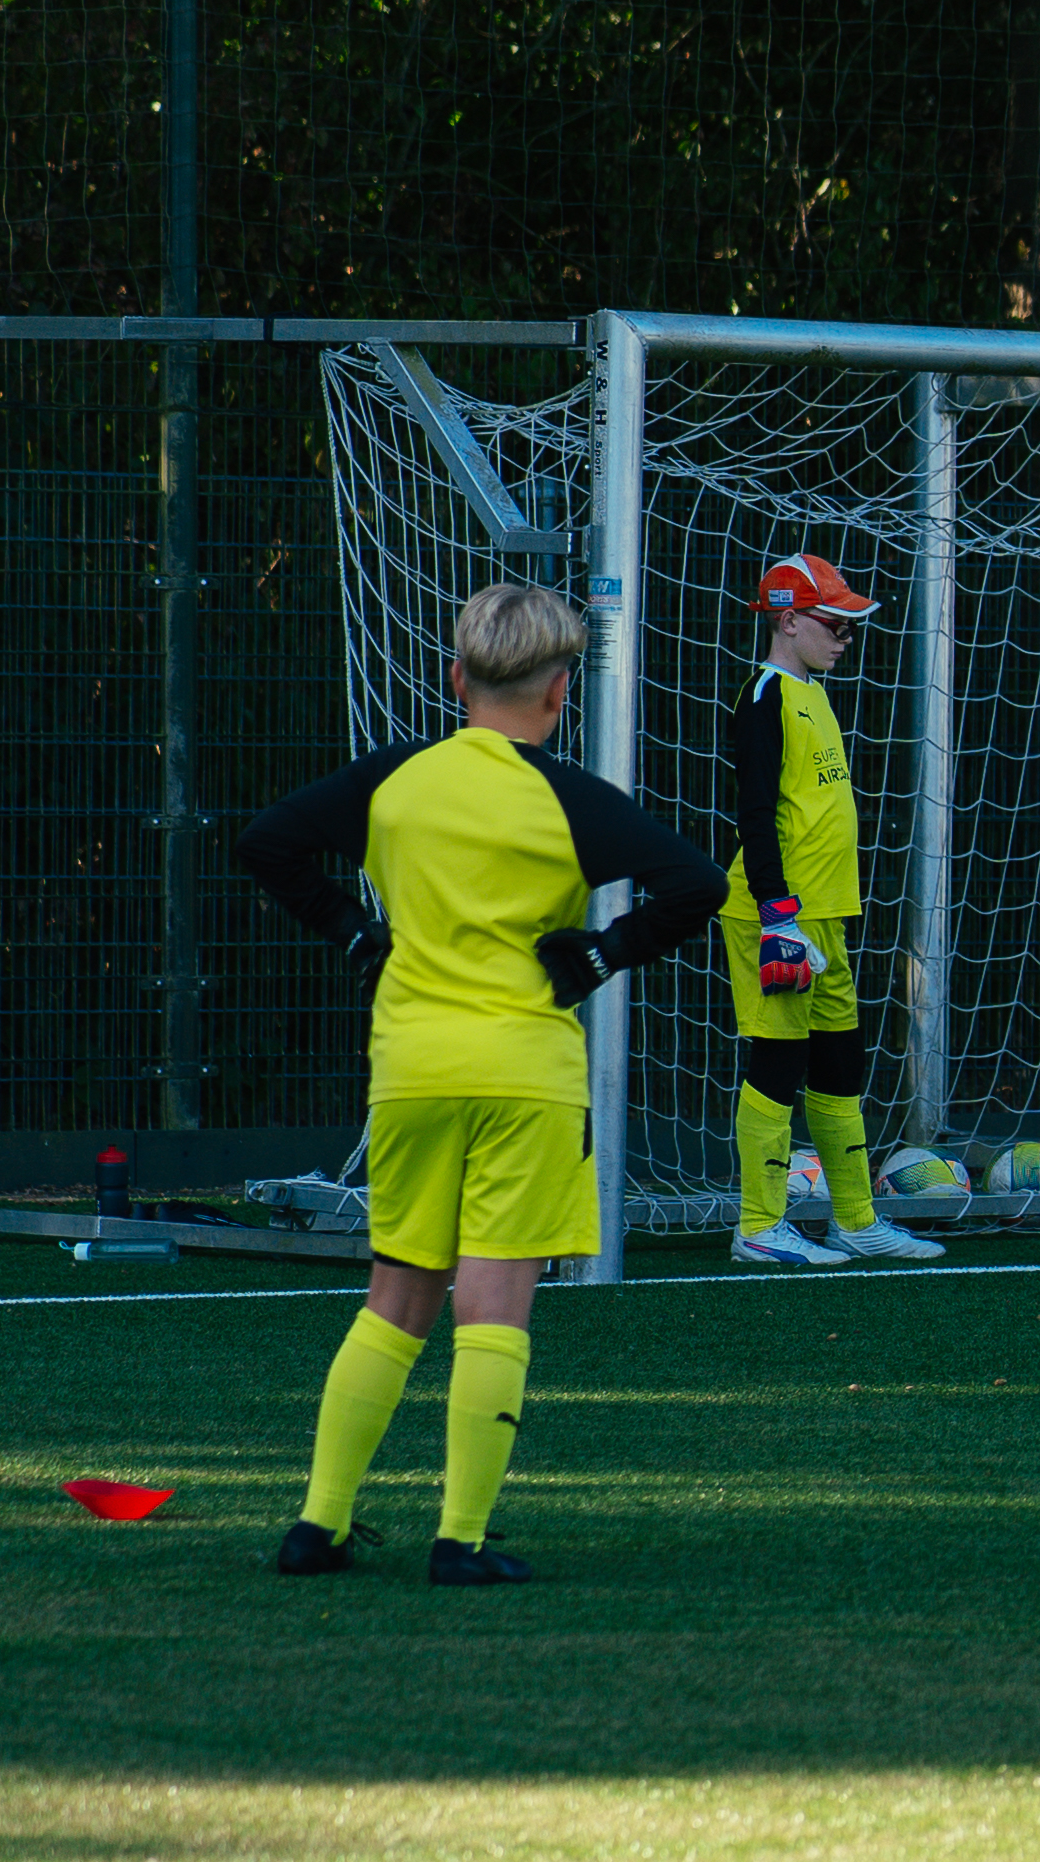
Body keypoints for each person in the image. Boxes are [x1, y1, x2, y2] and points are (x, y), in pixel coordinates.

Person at [232, 580, 729, 1584]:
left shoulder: (395, 779)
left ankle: (317, 1526)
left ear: (457, 677)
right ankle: (458, 1539)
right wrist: (602, 954)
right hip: (525, 1074)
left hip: (412, 1069)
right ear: (559, 690)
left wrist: (352, 930)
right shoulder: (570, 798)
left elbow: (265, 844)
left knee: (393, 1300)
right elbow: (699, 884)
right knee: (493, 1307)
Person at [718, 552, 937, 1269]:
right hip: (777, 916)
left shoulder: (812, 692)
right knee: (776, 1066)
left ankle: (857, 1221)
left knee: (840, 1065)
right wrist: (777, 917)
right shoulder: (765, 696)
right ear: (788, 621)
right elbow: (755, 814)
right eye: (834, 624)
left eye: (849, 626)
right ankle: (759, 1225)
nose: (846, 638)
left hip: (826, 917)